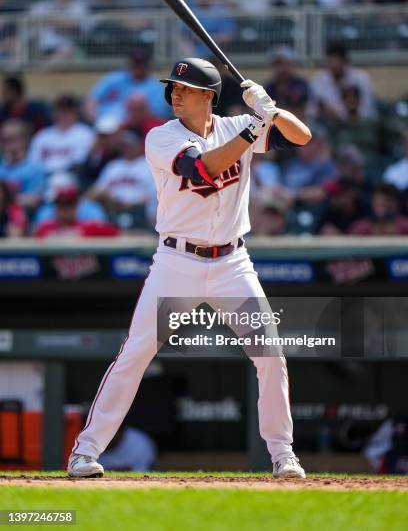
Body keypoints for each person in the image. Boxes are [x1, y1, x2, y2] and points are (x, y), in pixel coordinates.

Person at [68, 56, 311, 480]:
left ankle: (283, 454)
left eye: (185, 88)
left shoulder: (236, 126)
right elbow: (203, 171)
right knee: (136, 354)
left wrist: (271, 109)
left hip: (233, 262)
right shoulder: (161, 137)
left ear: (208, 96)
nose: (175, 94)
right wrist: (256, 125)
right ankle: (85, 452)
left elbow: (301, 137)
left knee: (270, 355)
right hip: (176, 262)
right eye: (174, 88)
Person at [88, 129, 156, 230]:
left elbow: (155, 196)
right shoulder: (113, 166)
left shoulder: (149, 165)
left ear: (139, 145)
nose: (127, 149)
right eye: (124, 146)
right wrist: (107, 198)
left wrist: (129, 203)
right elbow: (96, 191)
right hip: (113, 211)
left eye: (130, 145)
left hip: (139, 213)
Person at [86, 47, 170, 121]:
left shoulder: (156, 87)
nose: (139, 66)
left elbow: (158, 115)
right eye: (136, 63)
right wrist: (93, 118)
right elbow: (92, 100)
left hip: (136, 128)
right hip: (105, 121)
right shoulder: (114, 78)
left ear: (148, 64)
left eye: (142, 63)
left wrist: (140, 108)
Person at [29, 0, 89, 64]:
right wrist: (60, 21)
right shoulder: (42, 5)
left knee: (67, 52)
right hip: (40, 46)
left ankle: (41, 69)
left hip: (65, 48)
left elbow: (76, 25)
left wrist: (51, 20)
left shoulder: (79, 6)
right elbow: (29, 21)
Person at [28, 95, 95, 176]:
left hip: (71, 177)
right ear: (54, 113)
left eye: (69, 111)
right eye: (61, 110)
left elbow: (79, 163)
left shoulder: (86, 134)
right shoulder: (43, 135)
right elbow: (33, 162)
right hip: (42, 177)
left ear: (76, 113)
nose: (65, 114)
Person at [310, 42, 376, 123]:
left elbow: (367, 108)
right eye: (330, 61)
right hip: (330, 124)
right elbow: (313, 108)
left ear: (345, 61)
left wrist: (342, 113)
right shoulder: (319, 78)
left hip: (358, 122)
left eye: (337, 61)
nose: (334, 65)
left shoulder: (361, 77)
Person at [34, 184, 118, 238]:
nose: (65, 210)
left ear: (76, 207)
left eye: (68, 205)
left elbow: (118, 234)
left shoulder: (91, 227)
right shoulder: (45, 228)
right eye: (61, 206)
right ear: (56, 207)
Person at [0, 119, 46, 211]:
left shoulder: (35, 168)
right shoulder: (1, 167)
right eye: (3, 140)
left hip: (23, 216)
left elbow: (34, 200)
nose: (5, 144)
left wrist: (7, 201)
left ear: (23, 140)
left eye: (10, 139)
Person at [264, 46, 310, 122]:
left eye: (284, 63)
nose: (280, 68)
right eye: (277, 64)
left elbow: (304, 112)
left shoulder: (302, 85)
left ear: (292, 64)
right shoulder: (268, 87)